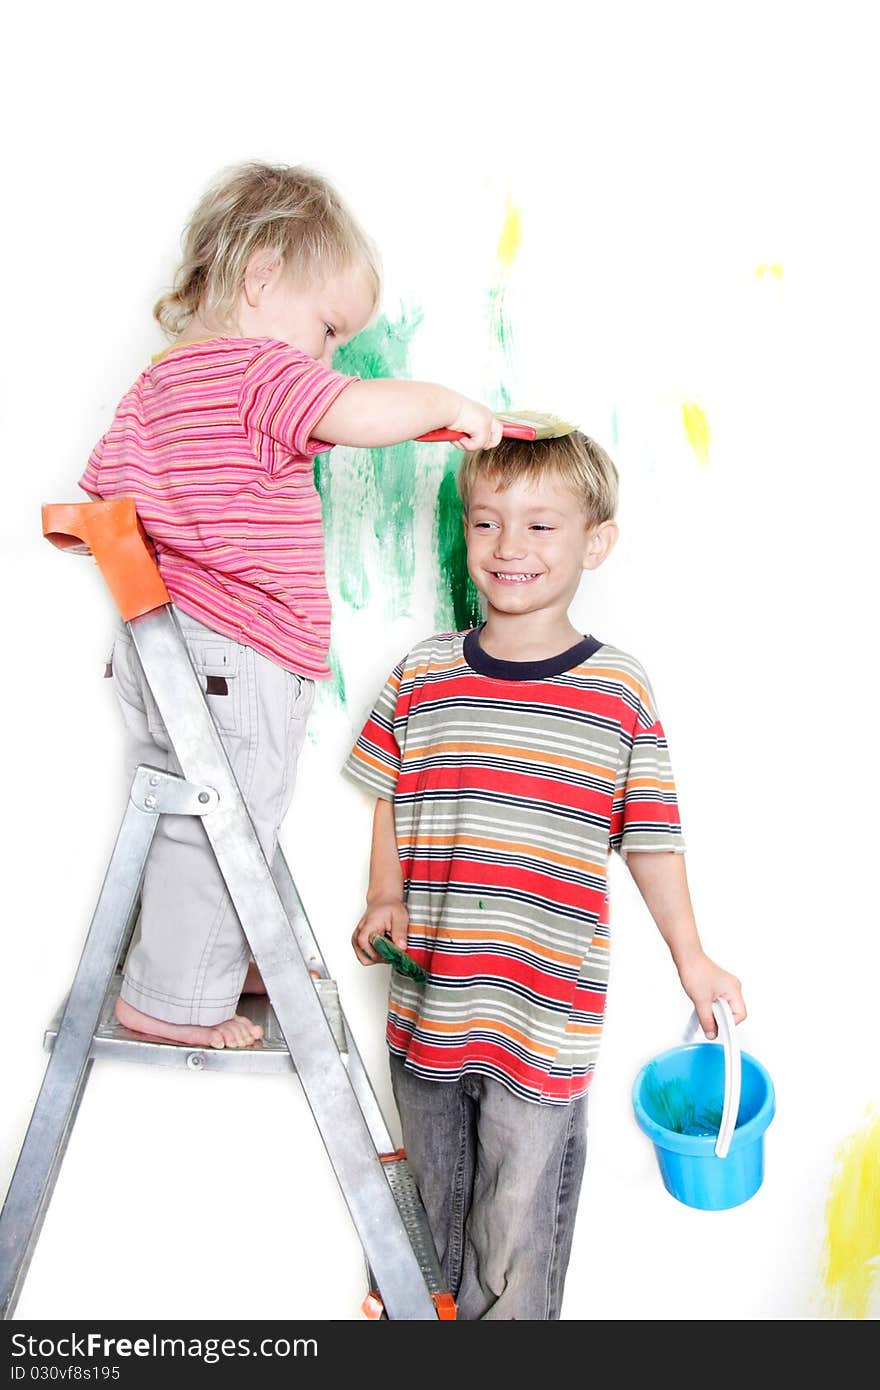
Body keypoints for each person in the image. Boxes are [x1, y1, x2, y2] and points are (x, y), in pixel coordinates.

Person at [79, 161, 502, 1050]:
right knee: (226, 817)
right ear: (262, 275)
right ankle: (170, 999)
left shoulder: (162, 383)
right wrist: (448, 406)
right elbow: (350, 410)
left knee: (216, 815)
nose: (330, 355)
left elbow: (95, 511)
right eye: (329, 327)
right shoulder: (257, 370)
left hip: (166, 653)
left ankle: (212, 956)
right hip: (240, 652)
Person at [344, 429, 746, 1320]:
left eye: (539, 525)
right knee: (424, 1220)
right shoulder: (423, 676)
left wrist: (693, 955)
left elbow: (651, 838)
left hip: (543, 1019)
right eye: (486, 523)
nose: (508, 547)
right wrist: (383, 895)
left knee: (517, 1230)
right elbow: (387, 794)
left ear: (594, 542)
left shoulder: (617, 691)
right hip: (431, 1004)